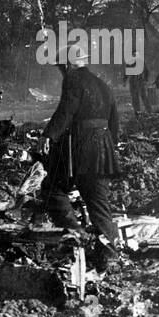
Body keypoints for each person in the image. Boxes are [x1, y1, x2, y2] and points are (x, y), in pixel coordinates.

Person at [39, 42, 121, 253]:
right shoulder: (103, 84)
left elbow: (67, 109)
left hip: (82, 147)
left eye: (61, 67)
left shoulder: (73, 79)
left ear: (68, 65)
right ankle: (111, 250)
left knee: (52, 188)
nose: (61, 72)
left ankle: (75, 234)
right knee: (98, 201)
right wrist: (109, 147)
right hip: (103, 148)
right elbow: (114, 123)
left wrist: (49, 135)